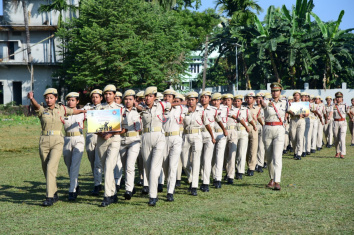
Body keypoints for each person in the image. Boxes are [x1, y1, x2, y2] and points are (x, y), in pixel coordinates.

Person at [27, 88, 86, 206]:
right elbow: (36, 106)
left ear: (56, 98)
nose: (49, 100)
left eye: (51, 98)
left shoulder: (62, 109)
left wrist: (86, 112)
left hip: (58, 141)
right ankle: (54, 193)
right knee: (45, 168)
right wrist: (32, 99)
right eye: (47, 98)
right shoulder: (42, 110)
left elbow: (73, 111)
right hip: (44, 141)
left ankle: (49, 197)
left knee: (50, 167)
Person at [138, 86, 171, 206]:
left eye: (150, 96)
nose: (148, 98)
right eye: (146, 96)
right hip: (146, 136)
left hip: (159, 136)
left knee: (154, 167)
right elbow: (135, 109)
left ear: (155, 97)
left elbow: (172, 104)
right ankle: (153, 191)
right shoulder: (141, 107)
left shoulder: (161, 105)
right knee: (147, 168)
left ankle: (153, 196)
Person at [95, 84, 125, 207]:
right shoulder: (98, 108)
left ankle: (107, 196)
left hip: (114, 139)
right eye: (106, 94)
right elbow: (93, 126)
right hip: (101, 140)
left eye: (110, 94)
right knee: (106, 167)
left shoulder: (120, 108)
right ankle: (113, 193)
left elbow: (124, 128)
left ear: (114, 95)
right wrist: (101, 133)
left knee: (108, 167)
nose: (108, 96)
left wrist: (111, 133)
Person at [181, 91, 215, 196]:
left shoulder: (201, 111)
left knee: (196, 161)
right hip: (186, 136)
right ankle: (191, 178)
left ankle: (194, 186)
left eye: (193, 100)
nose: (191, 102)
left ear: (196, 100)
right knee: (184, 161)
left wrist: (212, 136)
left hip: (197, 136)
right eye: (189, 100)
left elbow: (207, 124)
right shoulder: (184, 111)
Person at [159, 89, 186, 202]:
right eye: (165, 96)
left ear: (173, 98)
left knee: (173, 165)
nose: (166, 98)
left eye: (169, 97)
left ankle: (170, 191)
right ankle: (167, 182)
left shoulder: (181, 109)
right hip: (163, 138)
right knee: (164, 165)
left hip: (176, 138)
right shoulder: (160, 108)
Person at [260, 82, 288, 190]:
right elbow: (263, 104)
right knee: (269, 156)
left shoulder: (285, 102)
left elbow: (289, 111)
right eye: (272, 91)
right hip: (267, 128)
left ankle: (277, 181)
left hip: (279, 128)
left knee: (277, 156)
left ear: (280, 91)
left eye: (276, 91)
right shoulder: (267, 101)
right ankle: (271, 178)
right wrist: (262, 102)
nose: (274, 93)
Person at [63, 92, 86, 201]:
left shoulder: (82, 113)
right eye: (68, 100)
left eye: (73, 100)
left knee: (75, 165)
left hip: (78, 139)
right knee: (68, 164)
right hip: (67, 139)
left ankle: (72, 191)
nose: (70, 102)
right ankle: (75, 184)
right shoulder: (63, 112)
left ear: (77, 101)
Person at [119, 90, 142, 200]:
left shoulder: (139, 110)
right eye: (126, 99)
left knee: (130, 165)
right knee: (124, 166)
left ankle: (128, 190)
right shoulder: (120, 111)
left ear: (134, 100)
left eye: (130, 99)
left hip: (135, 140)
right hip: (122, 140)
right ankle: (131, 187)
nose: (128, 101)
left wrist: (140, 107)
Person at [229, 95, 254, 180]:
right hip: (234, 131)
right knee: (233, 152)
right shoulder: (230, 110)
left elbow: (250, 119)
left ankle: (240, 171)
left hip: (243, 131)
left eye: (238, 101)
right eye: (235, 101)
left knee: (242, 152)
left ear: (241, 101)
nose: (237, 103)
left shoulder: (246, 110)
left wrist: (254, 126)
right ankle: (231, 170)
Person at [84, 89, 104, 196]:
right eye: (93, 97)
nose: (95, 99)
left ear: (101, 98)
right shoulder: (87, 108)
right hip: (90, 137)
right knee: (92, 161)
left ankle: (98, 185)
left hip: (101, 137)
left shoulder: (105, 108)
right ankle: (97, 182)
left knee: (98, 162)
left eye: (97, 97)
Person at [210, 93, 228, 188]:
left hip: (221, 133)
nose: (215, 102)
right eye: (214, 100)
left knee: (219, 156)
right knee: (211, 157)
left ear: (220, 100)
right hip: (212, 133)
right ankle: (213, 176)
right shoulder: (209, 109)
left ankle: (218, 179)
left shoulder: (225, 109)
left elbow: (233, 116)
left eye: (217, 100)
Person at [288, 91, 307, 160]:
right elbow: (288, 110)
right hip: (293, 120)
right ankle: (295, 151)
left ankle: (299, 153)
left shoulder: (303, 104)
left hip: (301, 120)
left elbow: (307, 113)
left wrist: (303, 114)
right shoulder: (291, 104)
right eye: (295, 95)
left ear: (300, 96)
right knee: (293, 137)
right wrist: (294, 113)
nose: (296, 96)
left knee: (300, 137)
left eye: (297, 95)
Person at [244, 92, 259, 176]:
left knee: (253, 149)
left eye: (251, 98)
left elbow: (259, 118)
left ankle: (251, 168)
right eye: (248, 98)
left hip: (253, 129)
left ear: (254, 99)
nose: (249, 100)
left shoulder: (257, 109)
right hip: (245, 128)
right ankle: (245, 165)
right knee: (245, 149)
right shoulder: (243, 108)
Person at [332, 92, 347, 158]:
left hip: (343, 122)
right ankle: (337, 151)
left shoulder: (345, 105)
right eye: (337, 97)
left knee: (342, 138)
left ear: (342, 98)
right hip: (335, 122)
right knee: (336, 138)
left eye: (340, 97)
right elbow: (331, 113)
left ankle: (342, 153)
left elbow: (349, 112)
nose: (338, 98)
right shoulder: (333, 106)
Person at [255, 92, 265, 172]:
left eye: (260, 98)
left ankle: (260, 164)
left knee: (261, 146)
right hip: (255, 126)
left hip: (263, 126)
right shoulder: (253, 108)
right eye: (257, 98)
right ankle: (254, 163)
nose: (258, 100)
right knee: (254, 146)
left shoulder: (265, 108)